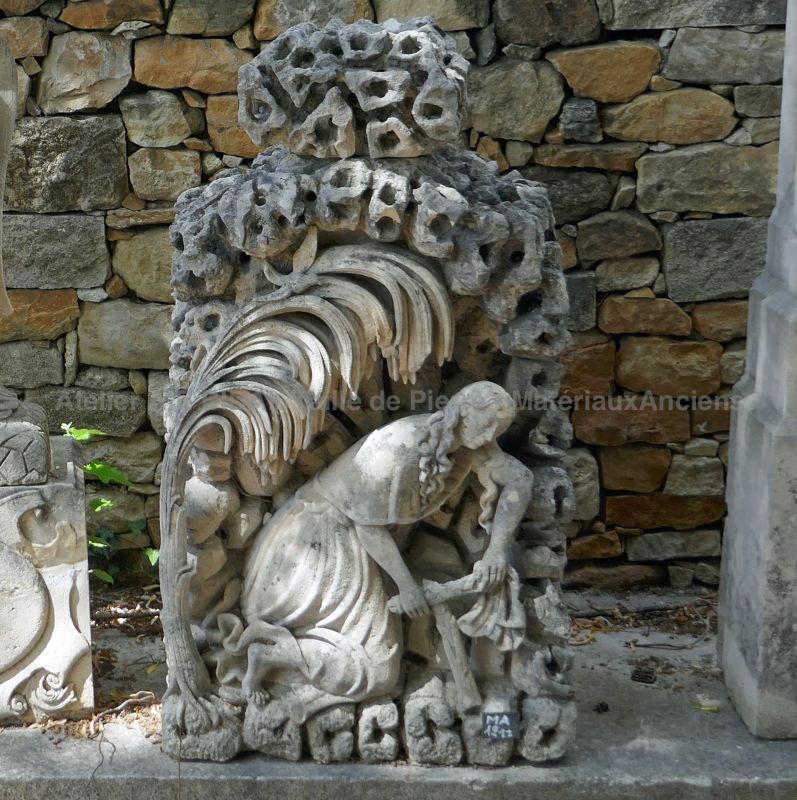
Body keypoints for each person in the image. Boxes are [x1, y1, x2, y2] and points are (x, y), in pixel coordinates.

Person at [227, 381, 532, 718]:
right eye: (486, 423)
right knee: (378, 669)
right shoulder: (402, 448)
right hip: (326, 542)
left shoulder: (465, 443)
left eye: (496, 430)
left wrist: (496, 551)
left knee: (381, 667)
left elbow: (520, 479)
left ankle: (287, 656)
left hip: (359, 538)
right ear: (463, 410)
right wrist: (407, 587)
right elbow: (368, 529)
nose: (489, 435)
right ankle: (272, 656)